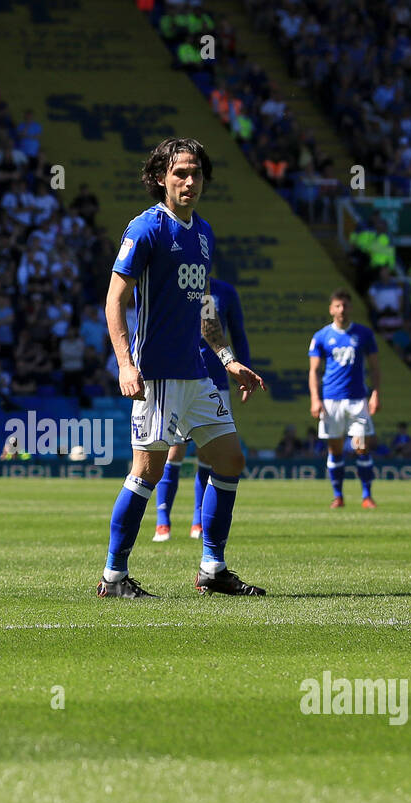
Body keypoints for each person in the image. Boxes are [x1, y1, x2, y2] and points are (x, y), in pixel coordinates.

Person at [98, 137, 267, 598]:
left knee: (230, 459)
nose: (189, 181)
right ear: (160, 178)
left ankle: (212, 569)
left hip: (196, 372)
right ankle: (113, 577)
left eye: (195, 173)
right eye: (179, 173)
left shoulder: (204, 233)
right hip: (156, 376)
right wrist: (125, 365)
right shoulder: (146, 228)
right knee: (146, 473)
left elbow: (203, 308)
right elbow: (115, 299)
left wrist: (228, 360)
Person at [152, 275, 250, 541]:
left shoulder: (224, 292)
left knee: (210, 455)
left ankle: (198, 520)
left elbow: (238, 334)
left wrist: (243, 367)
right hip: (179, 377)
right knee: (174, 451)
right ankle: (163, 521)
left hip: (216, 380)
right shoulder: (174, 285)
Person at [308, 289, 381, 508]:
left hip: (357, 400)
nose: (342, 310)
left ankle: (366, 496)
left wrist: (375, 393)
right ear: (331, 309)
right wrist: (315, 398)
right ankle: (338, 496)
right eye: (338, 306)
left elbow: (375, 367)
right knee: (335, 449)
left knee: (361, 447)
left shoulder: (364, 334)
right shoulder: (321, 336)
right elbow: (314, 371)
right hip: (331, 401)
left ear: (351, 308)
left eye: (345, 305)